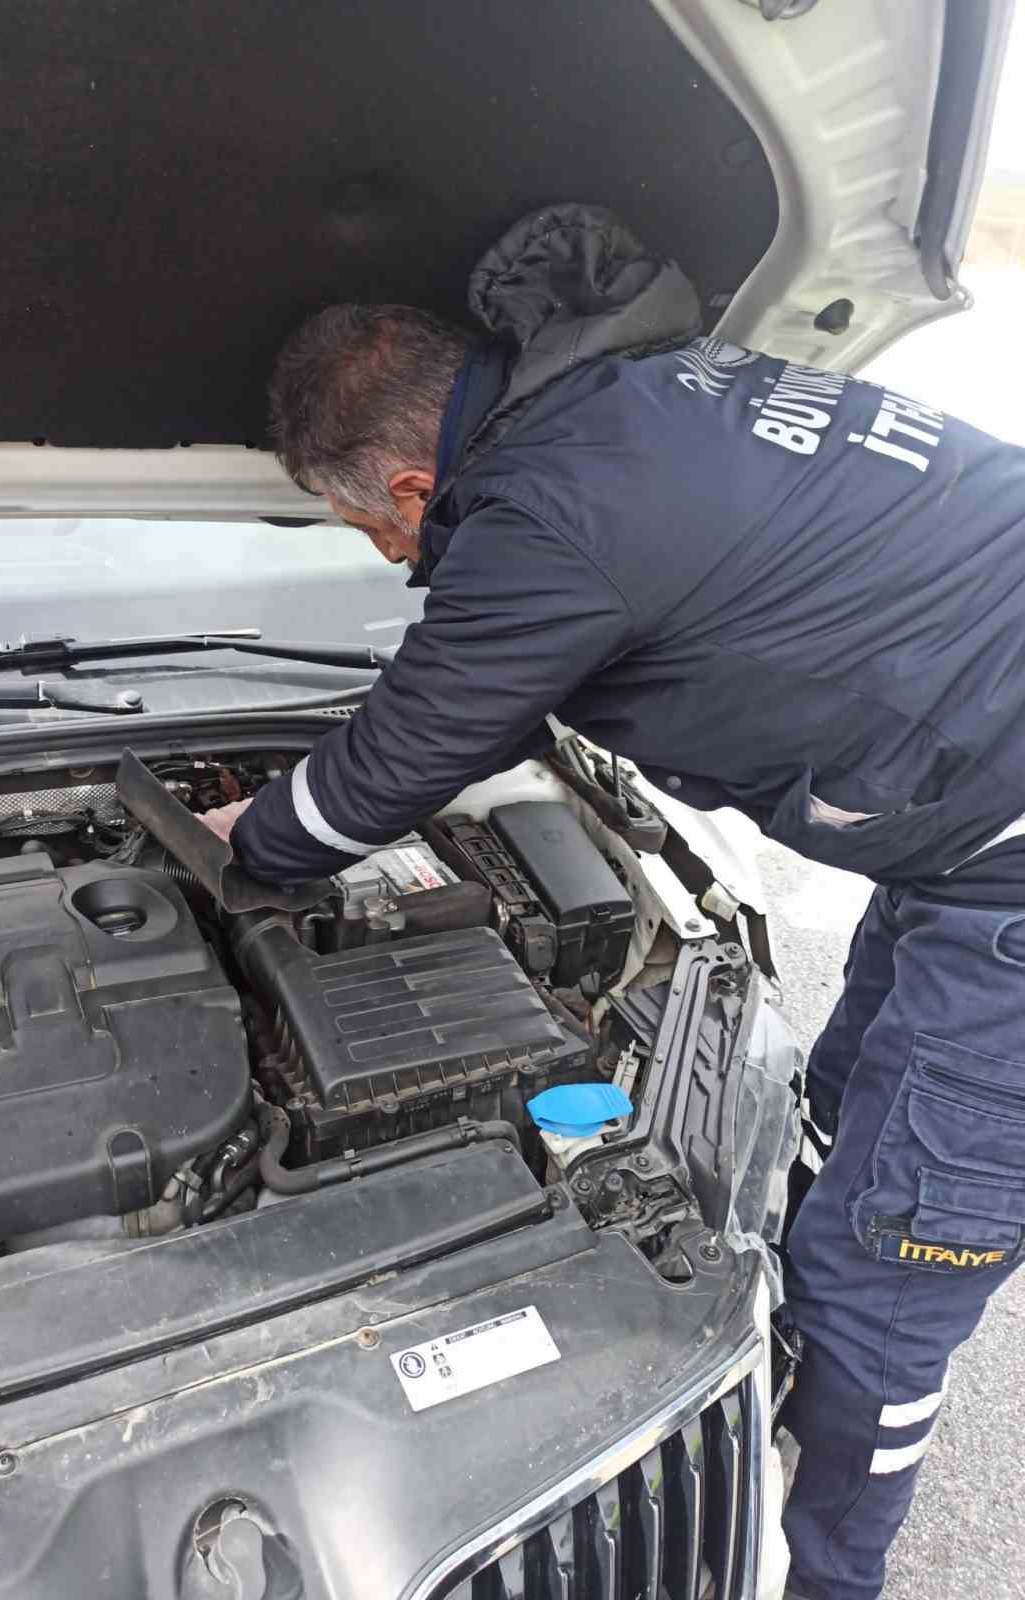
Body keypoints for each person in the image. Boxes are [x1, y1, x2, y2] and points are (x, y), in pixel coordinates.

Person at [201, 204, 1025, 1600]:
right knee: (840, 1119)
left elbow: (393, 765)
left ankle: (825, 1572)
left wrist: (246, 841)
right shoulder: (648, 392)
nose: (391, 558)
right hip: (966, 839)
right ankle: (775, 1338)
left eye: (369, 528)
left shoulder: (555, 511)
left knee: (889, 1281)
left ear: (410, 483)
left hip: (1005, 860)